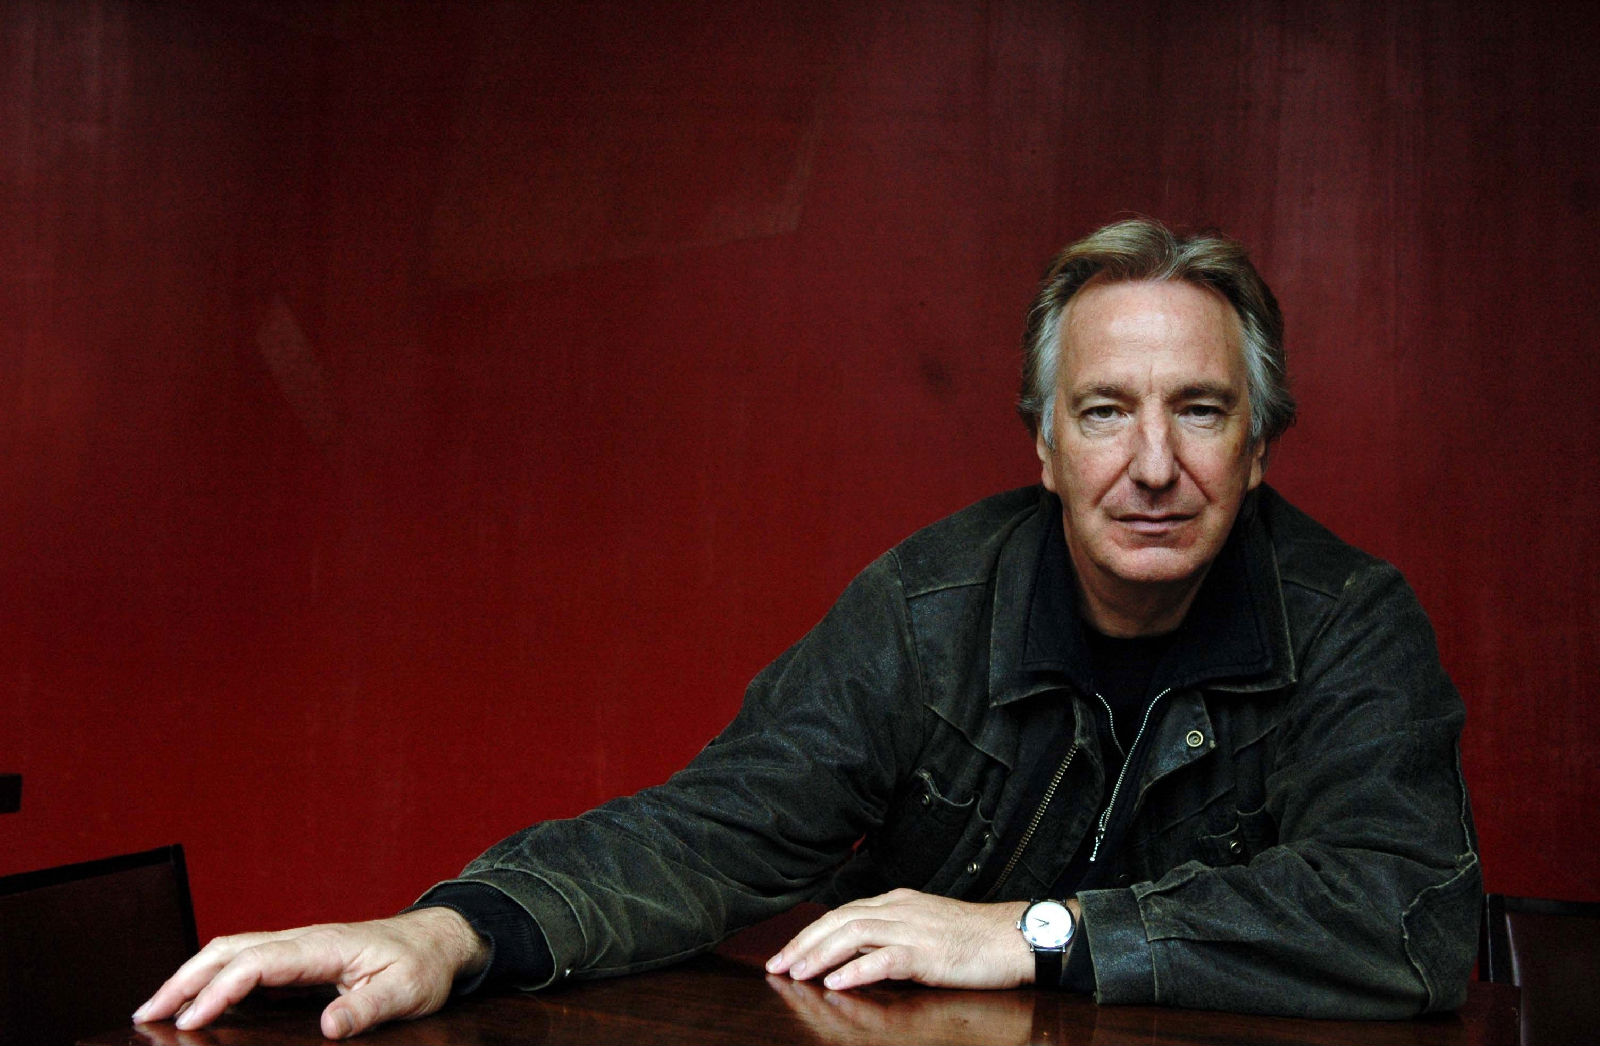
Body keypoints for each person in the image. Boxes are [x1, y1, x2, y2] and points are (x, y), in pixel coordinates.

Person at [137, 219, 1481, 1039]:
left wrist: (1036, 931)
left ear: (1259, 448)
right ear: (1043, 446)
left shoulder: (1353, 623)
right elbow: (708, 830)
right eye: (1103, 411)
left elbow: (1412, 914)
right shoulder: (926, 610)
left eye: (1198, 410)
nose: (1151, 465)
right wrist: (452, 932)